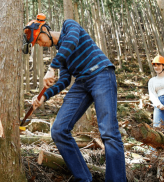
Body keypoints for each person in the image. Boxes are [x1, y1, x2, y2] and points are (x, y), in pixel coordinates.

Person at [24, 13, 126, 182]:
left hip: (101, 73)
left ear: (45, 30)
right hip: (82, 83)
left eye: (39, 40)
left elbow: (71, 42)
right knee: (58, 130)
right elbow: (64, 81)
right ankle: (83, 179)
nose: (41, 45)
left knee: (108, 131)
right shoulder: (61, 55)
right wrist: (44, 96)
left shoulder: (69, 26)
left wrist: (52, 67)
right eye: (37, 44)